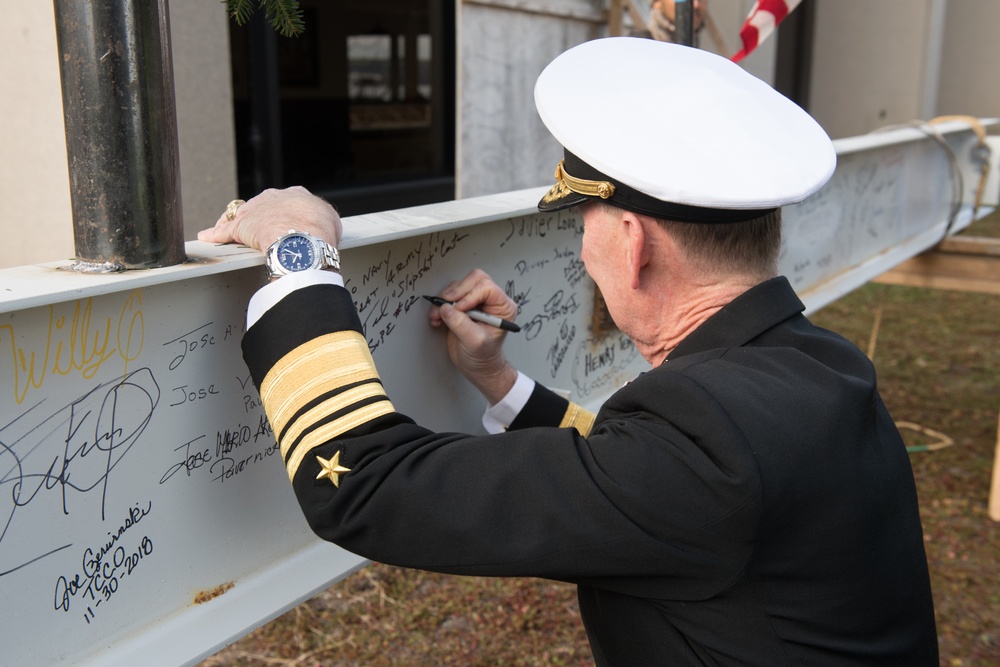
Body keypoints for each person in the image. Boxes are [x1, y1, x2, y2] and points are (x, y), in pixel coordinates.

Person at [199, 38, 938, 666]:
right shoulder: (820, 366)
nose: (584, 252)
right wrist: (498, 381)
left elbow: (364, 485)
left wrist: (300, 251)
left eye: (584, 221)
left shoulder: (705, 446)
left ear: (632, 242)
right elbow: (640, 482)